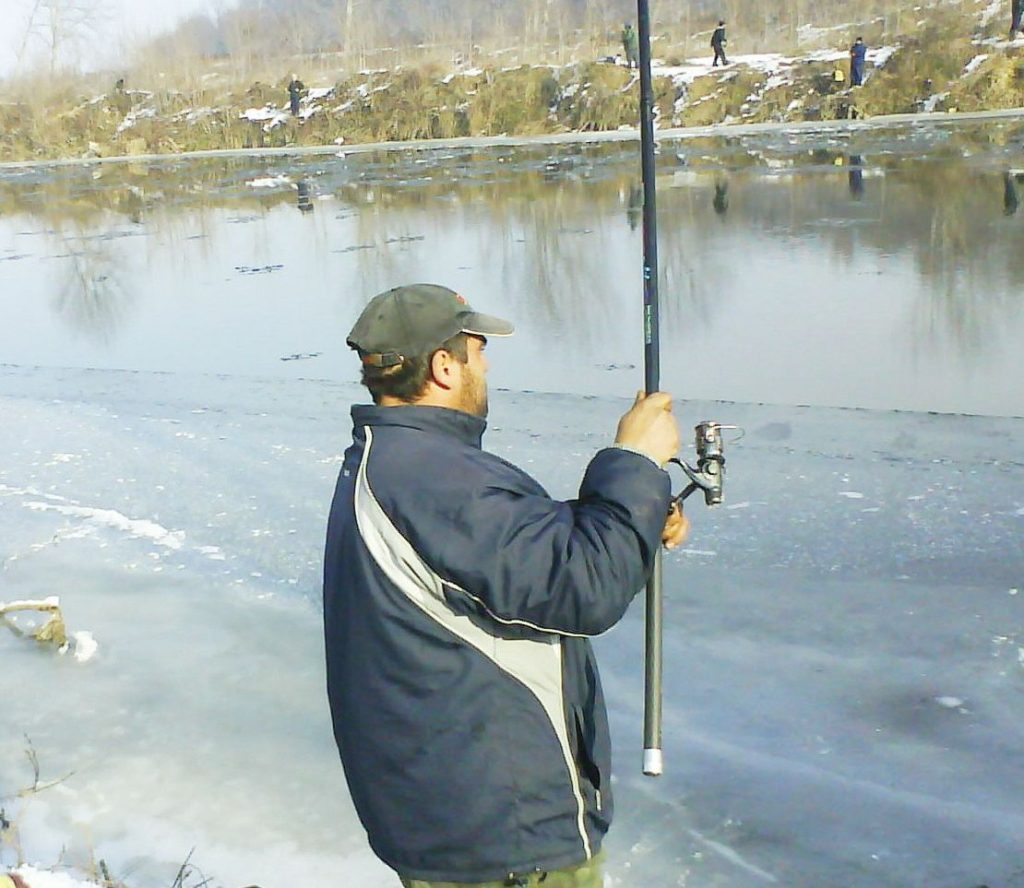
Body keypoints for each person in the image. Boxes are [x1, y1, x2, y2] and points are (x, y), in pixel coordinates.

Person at [323, 283, 689, 887]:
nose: (486, 365)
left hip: (456, 819)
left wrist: (640, 515)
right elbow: (583, 586)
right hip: (505, 840)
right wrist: (637, 461)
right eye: (478, 349)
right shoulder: (434, 477)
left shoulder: (399, 461)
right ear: (444, 367)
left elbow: (515, 556)